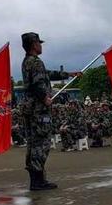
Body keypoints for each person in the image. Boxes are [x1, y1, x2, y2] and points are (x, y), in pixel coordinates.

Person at [20, 32, 79, 191]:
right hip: (39, 110)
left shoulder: (27, 62)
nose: (40, 45)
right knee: (42, 144)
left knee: (33, 144)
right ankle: (38, 181)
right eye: (39, 43)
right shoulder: (36, 62)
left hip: (30, 108)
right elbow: (38, 83)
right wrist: (45, 98)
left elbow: (47, 75)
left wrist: (68, 74)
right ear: (33, 45)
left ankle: (36, 181)